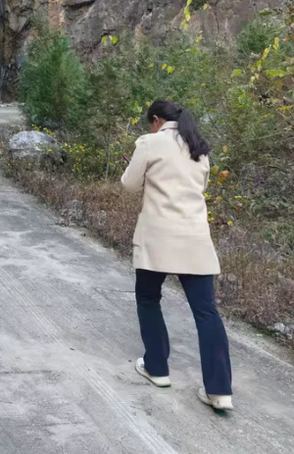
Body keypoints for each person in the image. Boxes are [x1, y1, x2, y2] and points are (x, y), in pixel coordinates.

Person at [121, 99, 233, 411]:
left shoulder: (149, 142)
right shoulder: (199, 148)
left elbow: (129, 185)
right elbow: (201, 186)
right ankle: (220, 391)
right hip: (195, 239)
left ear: (156, 120)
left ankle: (157, 368)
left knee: (148, 298)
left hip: (158, 237)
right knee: (207, 312)